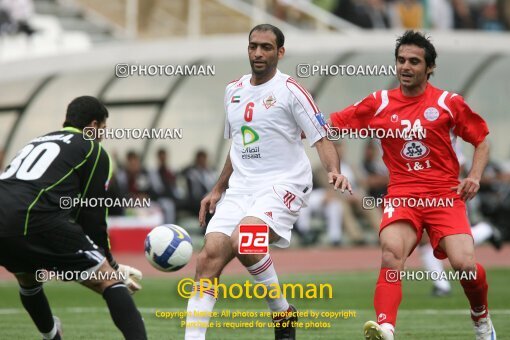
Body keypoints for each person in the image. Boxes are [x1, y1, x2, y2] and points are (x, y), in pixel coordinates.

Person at [184, 24, 350, 340]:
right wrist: (218, 188)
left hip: (284, 183)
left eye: (266, 47)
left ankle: (282, 312)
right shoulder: (232, 90)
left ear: (280, 52)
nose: (258, 53)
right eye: (253, 46)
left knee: (246, 240)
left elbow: (321, 136)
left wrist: (334, 170)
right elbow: (239, 146)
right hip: (241, 188)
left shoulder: (291, 91)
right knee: (208, 258)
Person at [329, 31, 496, 339]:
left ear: (429, 68)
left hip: (444, 196)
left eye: (414, 62)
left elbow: (481, 140)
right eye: (401, 60)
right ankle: (386, 328)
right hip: (403, 196)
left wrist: (473, 176)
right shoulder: (378, 103)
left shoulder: (448, 103)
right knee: (391, 253)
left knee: (466, 267)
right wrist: (292, 126)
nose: (405, 67)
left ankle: (481, 317)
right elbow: (329, 125)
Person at [0, 96, 147, 340]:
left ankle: (53, 336)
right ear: (93, 125)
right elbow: (93, 214)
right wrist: (110, 263)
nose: (102, 135)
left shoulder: (37, 140)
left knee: (28, 278)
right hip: (37, 217)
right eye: (103, 129)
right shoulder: (92, 148)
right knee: (108, 280)